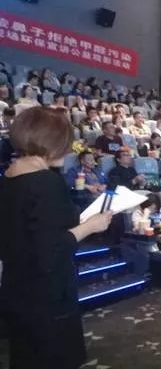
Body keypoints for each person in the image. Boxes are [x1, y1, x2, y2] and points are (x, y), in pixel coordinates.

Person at [0, 106, 113, 369]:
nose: (69, 150)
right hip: (47, 295)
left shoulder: (8, 177)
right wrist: (91, 226)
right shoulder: (46, 182)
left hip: (17, 288)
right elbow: (51, 248)